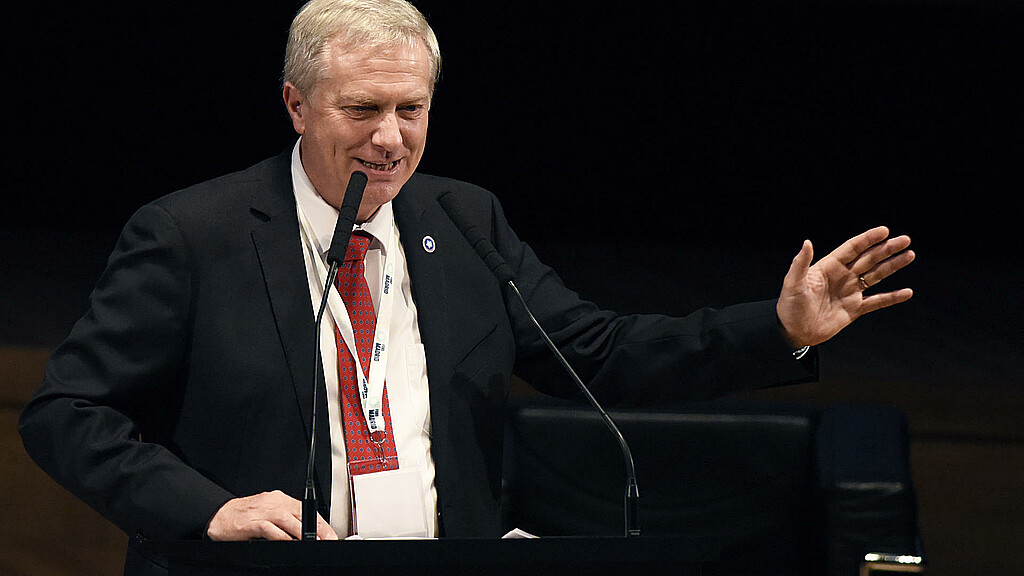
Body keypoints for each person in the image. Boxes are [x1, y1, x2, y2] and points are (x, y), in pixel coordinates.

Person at [19, 0, 915, 572]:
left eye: (412, 108)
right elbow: (67, 412)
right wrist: (209, 510)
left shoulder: (463, 220)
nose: (391, 138)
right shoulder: (193, 234)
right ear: (296, 105)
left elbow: (595, 355)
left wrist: (780, 326)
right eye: (362, 109)